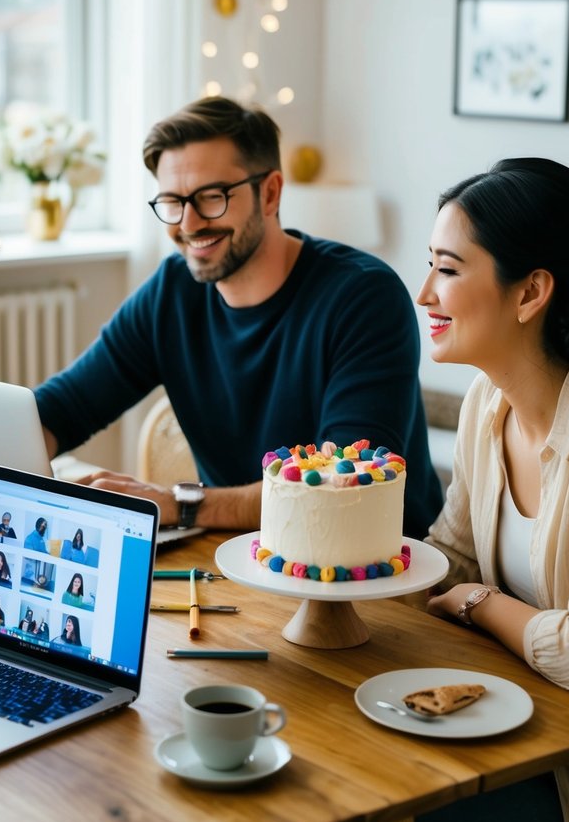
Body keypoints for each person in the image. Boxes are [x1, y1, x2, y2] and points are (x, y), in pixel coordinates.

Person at [227, 158, 569, 822]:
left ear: (530, 291)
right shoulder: (490, 404)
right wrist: (329, 566)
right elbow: (450, 558)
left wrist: (479, 604)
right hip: (493, 744)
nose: (423, 295)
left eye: (447, 270)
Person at [35, 96, 442, 538]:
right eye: (172, 201)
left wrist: (180, 504)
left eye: (212, 197)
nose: (188, 223)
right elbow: (62, 410)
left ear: (269, 193)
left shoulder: (363, 298)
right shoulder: (172, 290)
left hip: (376, 572)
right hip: (239, 554)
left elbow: (341, 487)